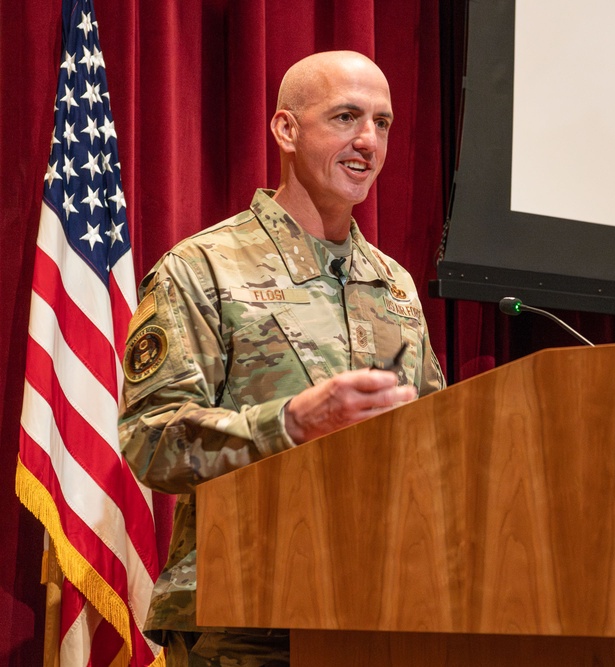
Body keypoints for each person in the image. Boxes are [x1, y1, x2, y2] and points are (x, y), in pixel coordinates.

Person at [118, 50, 445, 666]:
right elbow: (151, 441)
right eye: (346, 117)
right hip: (244, 616)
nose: (368, 141)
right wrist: (290, 423)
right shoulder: (204, 267)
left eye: (383, 123)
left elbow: (437, 445)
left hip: (383, 611)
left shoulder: (395, 285)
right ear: (286, 130)